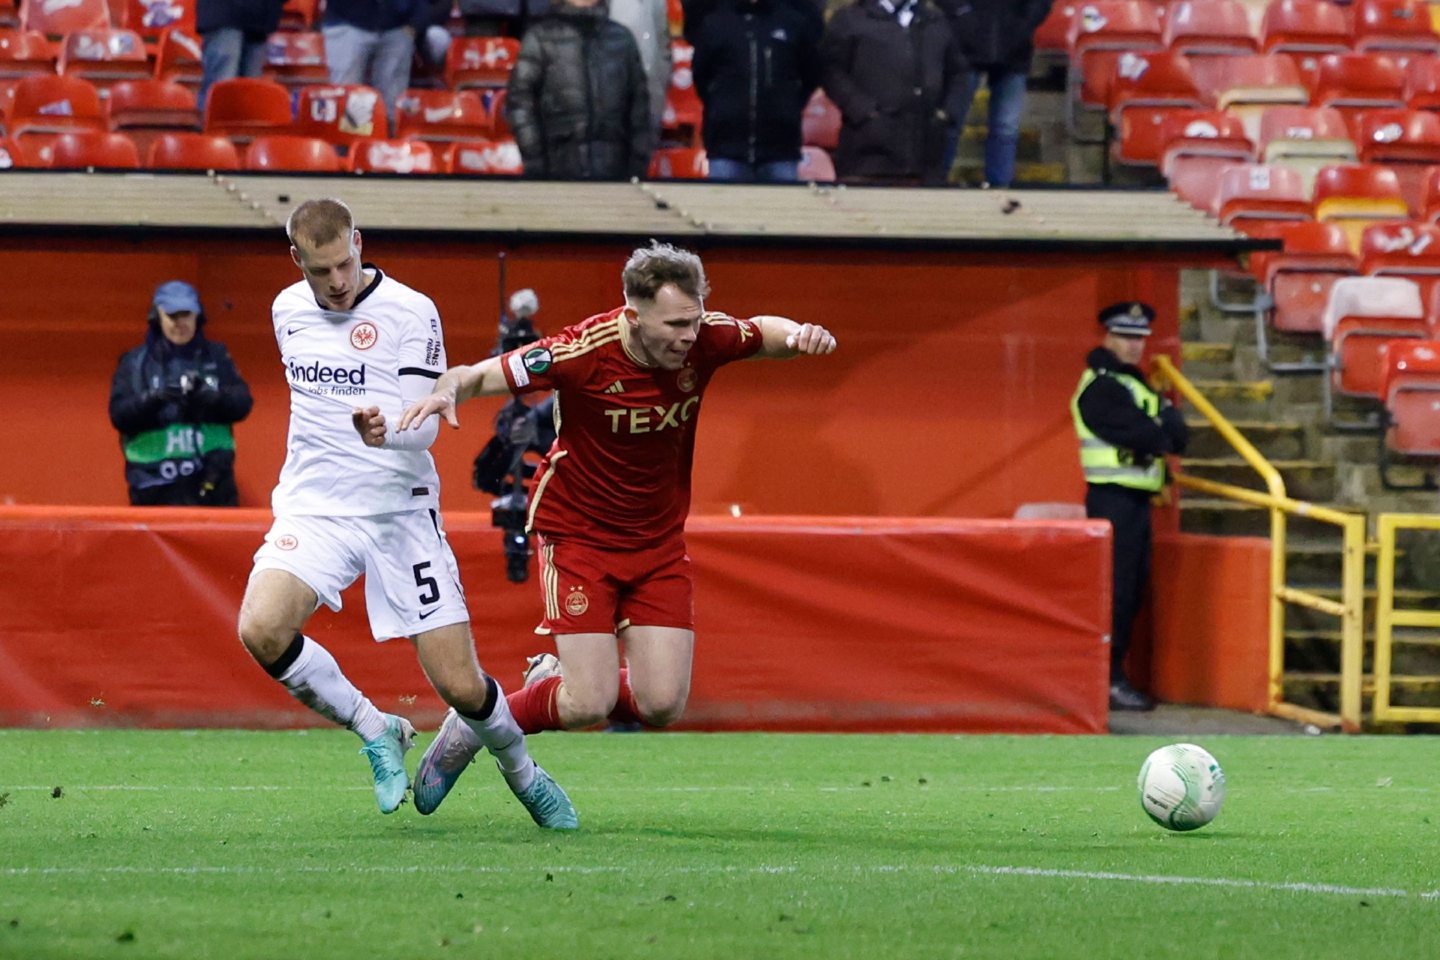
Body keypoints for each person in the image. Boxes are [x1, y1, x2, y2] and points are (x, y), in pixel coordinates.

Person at [387, 241, 837, 812]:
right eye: (674, 324)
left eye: (694, 321)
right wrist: (447, 388)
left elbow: (760, 331)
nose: (687, 336)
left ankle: (551, 681)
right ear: (633, 315)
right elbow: (482, 375)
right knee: (589, 703)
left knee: (662, 704)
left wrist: (798, 335)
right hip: (579, 536)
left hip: (658, 544)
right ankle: (472, 728)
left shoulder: (706, 338)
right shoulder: (580, 352)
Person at [235, 197, 577, 828]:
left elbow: (425, 428)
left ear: (359, 242)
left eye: (343, 264)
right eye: (319, 271)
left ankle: (523, 773)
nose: (335, 282)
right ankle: (376, 728)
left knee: (461, 686)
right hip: (316, 507)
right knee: (260, 628)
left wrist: (384, 430)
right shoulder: (287, 309)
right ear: (296, 262)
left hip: (399, 509)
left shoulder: (411, 310)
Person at [1070, 302, 1188, 713]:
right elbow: (1152, 436)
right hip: (1112, 500)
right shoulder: (1102, 386)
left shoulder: (1134, 384)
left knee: (1130, 591)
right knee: (1116, 593)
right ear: (1107, 336)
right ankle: (1106, 680)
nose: (1134, 346)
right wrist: (1160, 428)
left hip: (1136, 503)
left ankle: (1112, 678)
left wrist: (1161, 430)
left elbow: (1178, 437)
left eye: (1139, 338)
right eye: (1125, 337)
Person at [108, 280, 253, 506]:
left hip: (213, 483)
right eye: (172, 316)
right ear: (157, 317)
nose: (180, 323)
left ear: (198, 315)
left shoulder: (217, 356)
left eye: (186, 314)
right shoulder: (135, 363)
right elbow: (119, 416)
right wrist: (155, 398)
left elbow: (242, 404)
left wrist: (212, 397)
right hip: (152, 486)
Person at [819, 0, 966, 185]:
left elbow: (958, 72)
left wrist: (946, 113)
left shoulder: (935, 20)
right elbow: (830, 70)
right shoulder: (850, 19)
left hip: (926, 155)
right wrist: (863, 110)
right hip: (867, 155)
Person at [505, 0, 654, 180]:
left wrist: (636, 168)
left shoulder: (622, 39)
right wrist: (537, 165)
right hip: (556, 180)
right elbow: (520, 103)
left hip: (615, 180)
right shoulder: (539, 39)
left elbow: (640, 110)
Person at [685, 0, 823, 183]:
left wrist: (788, 108)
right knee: (724, 211)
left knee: (782, 211)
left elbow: (811, 74)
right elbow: (701, 76)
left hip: (781, 150)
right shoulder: (715, 23)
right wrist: (722, 108)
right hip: (726, 148)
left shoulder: (793, 21)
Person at [938, 0, 1054, 187]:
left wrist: (1023, 25)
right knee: (952, 120)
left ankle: (999, 185)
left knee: (1006, 126)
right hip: (963, 50)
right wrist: (960, 14)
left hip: (1015, 51)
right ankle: (936, 181)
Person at [322, 0, 431, 129]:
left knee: (392, 104)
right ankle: (350, 146)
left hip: (398, 25)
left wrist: (416, 20)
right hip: (347, 21)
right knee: (350, 99)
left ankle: (388, 145)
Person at [195, 0, 287, 111]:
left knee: (248, 97)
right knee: (223, 90)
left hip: (259, 20)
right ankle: (211, 126)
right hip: (224, 14)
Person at [610, 0, 672, 140]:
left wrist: (660, 82)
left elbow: (663, 45)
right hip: (613, 100)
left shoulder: (657, 3)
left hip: (650, 96)